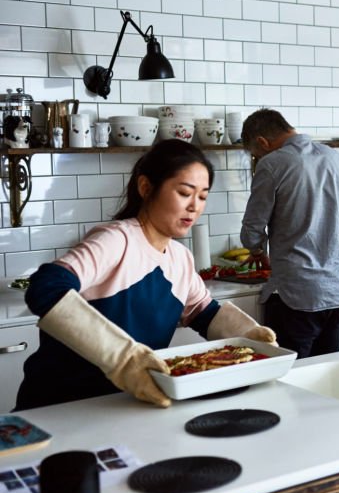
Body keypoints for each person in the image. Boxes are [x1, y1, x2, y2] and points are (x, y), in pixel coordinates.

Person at [16, 140, 276, 411]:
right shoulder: (117, 240)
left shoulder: (180, 258)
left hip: (126, 405)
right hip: (60, 406)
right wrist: (122, 359)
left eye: (202, 196)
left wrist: (249, 335)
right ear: (146, 187)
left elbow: (203, 312)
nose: (194, 207)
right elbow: (46, 287)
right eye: (185, 193)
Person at [240, 109, 339, 358]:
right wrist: (327, 233)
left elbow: (252, 230)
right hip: (336, 297)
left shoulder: (271, 164)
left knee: (288, 383)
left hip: (294, 298)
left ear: (262, 142)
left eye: (256, 155)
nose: (258, 159)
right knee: (327, 380)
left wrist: (257, 249)